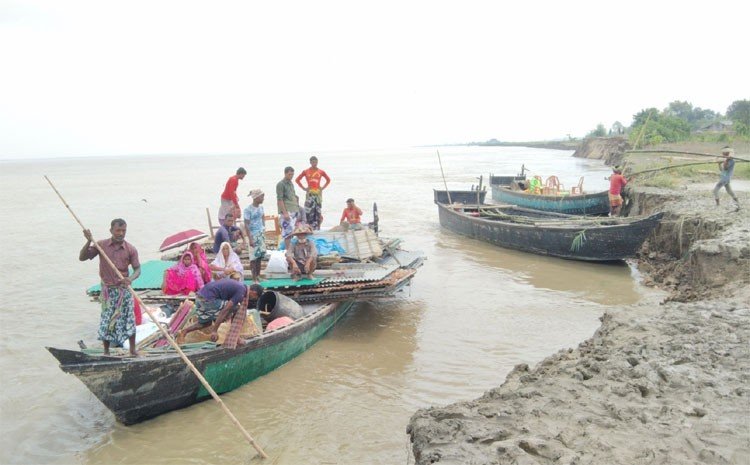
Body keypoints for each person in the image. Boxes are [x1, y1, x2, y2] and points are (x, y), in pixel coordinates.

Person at [79, 218, 141, 356]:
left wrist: (129, 279)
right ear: (111, 230)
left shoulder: (130, 249)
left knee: (129, 318)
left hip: (123, 290)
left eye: (123, 230)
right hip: (108, 290)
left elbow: (137, 269)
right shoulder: (101, 245)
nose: (121, 233)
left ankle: (132, 350)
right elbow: (82, 257)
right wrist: (88, 240)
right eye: (118, 230)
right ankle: (106, 352)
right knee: (107, 321)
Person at [176, 279, 264, 349]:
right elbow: (225, 310)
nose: (252, 299)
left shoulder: (240, 286)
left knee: (206, 323)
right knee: (235, 308)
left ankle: (184, 332)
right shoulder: (241, 291)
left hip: (200, 298)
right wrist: (215, 330)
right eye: (254, 297)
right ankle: (235, 337)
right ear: (254, 293)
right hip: (209, 300)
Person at [295, 156, 331, 230]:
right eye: (313, 162)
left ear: (317, 162)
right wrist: (304, 188)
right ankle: (309, 227)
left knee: (318, 212)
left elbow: (328, 180)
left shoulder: (321, 171)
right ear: (310, 162)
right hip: (309, 194)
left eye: (316, 162)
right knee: (308, 211)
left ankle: (318, 228)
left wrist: (322, 188)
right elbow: (297, 180)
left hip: (318, 194)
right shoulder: (306, 171)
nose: (314, 163)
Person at [244, 189, 266, 283]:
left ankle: (258, 275)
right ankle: (254, 278)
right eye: (261, 196)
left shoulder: (261, 207)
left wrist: (264, 228)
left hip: (260, 234)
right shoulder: (248, 209)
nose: (263, 198)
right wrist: (250, 238)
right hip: (253, 234)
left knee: (260, 256)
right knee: (253, 257)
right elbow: (246, 224)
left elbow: (263, 217)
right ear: (256, 197)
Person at [276, 166, 300, 251]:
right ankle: (287, 250)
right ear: (285, 173)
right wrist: (285, 212)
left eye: (292, 174)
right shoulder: (281, 184)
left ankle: (291, 250)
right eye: (290, 174)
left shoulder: (291, 183)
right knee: (287, 233)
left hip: (294, 210)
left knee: (292, 232)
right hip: (287, 211)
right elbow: (280, 199)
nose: (291, 176)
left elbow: (293, 195)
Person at [713, 146, 741, 211]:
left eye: (724, 153)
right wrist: (719, 164)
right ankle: (737, 202)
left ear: (727, 153)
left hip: (725, 179)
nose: (722, 154)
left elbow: (726, 167)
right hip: (725, 178)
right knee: (729, 191)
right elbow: (722, 170)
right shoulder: (726, 159)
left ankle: (717, 204)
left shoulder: (732, 161)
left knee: (715, 190)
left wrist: (726, 160)